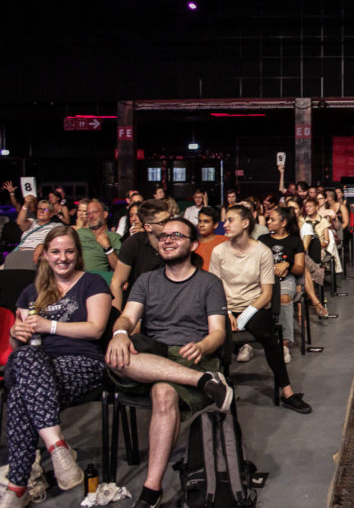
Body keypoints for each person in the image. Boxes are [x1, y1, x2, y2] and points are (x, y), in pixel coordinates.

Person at [105, 217, 235, 508]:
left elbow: (217, 333)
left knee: (164, 392)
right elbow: (127, 317)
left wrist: (202, 345)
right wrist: (121, 334)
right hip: (155, 355)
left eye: (176, 235)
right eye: (163, 236)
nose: (167, 240)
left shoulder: (209, 283)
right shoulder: (146, 281)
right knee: (115, 356)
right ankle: (205, 383)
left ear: (193, 244)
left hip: (192, 356)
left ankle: (151, 490)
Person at [0, 227, 111, 508]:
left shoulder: (92, 282)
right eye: (56, 252)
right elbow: (17, 344)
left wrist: (48, 325)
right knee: (26, 355)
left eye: (69, 251)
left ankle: (18, 487)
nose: (63, 258)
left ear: (78, 253)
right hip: (36, 364)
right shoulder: (31, 292)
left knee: (19, 396)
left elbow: (96, 329)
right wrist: (16, 333)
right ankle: (58, 447)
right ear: (46, 255)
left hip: (81, 362)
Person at [209, 205, 311, 411]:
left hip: (254, 307)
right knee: (217, 337)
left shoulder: (262, 252)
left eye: (230, 220)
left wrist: (244, 316)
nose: (225, 225)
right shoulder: (218, 251)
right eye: (225, 220)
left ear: (245, 223)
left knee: (269, 338)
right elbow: (214, 288)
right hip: (225, 306)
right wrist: (227, 312)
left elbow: (266, 294)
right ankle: (221, 386)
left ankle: (287, 392)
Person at [257, 207, 306, 361]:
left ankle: (283, 345)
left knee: (284, 299)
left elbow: (299, 268)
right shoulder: (262, 239)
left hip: (285, 279)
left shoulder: (295, 241)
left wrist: (287, 265)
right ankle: (247, 343)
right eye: (268, 219)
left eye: (272, 219)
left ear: (283, 223)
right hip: (262, 279)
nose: (268, 222)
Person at [109, 199, 171, 311]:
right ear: (148, 227)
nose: (170, 225)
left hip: (168, 304)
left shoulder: (177, 242)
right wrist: (117, 315)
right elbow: (117, 282)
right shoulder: (133, 243)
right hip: (138, 305)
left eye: (170, 219)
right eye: (163, 222)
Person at [76, 199, 121, 272]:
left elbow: (119, 269)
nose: (91, 216)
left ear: (105, 214)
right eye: (88, 213)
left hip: (99, 277)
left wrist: (107, 248)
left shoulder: (114, 237)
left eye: (95, 212)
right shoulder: (80, 232)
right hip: (77, 276)